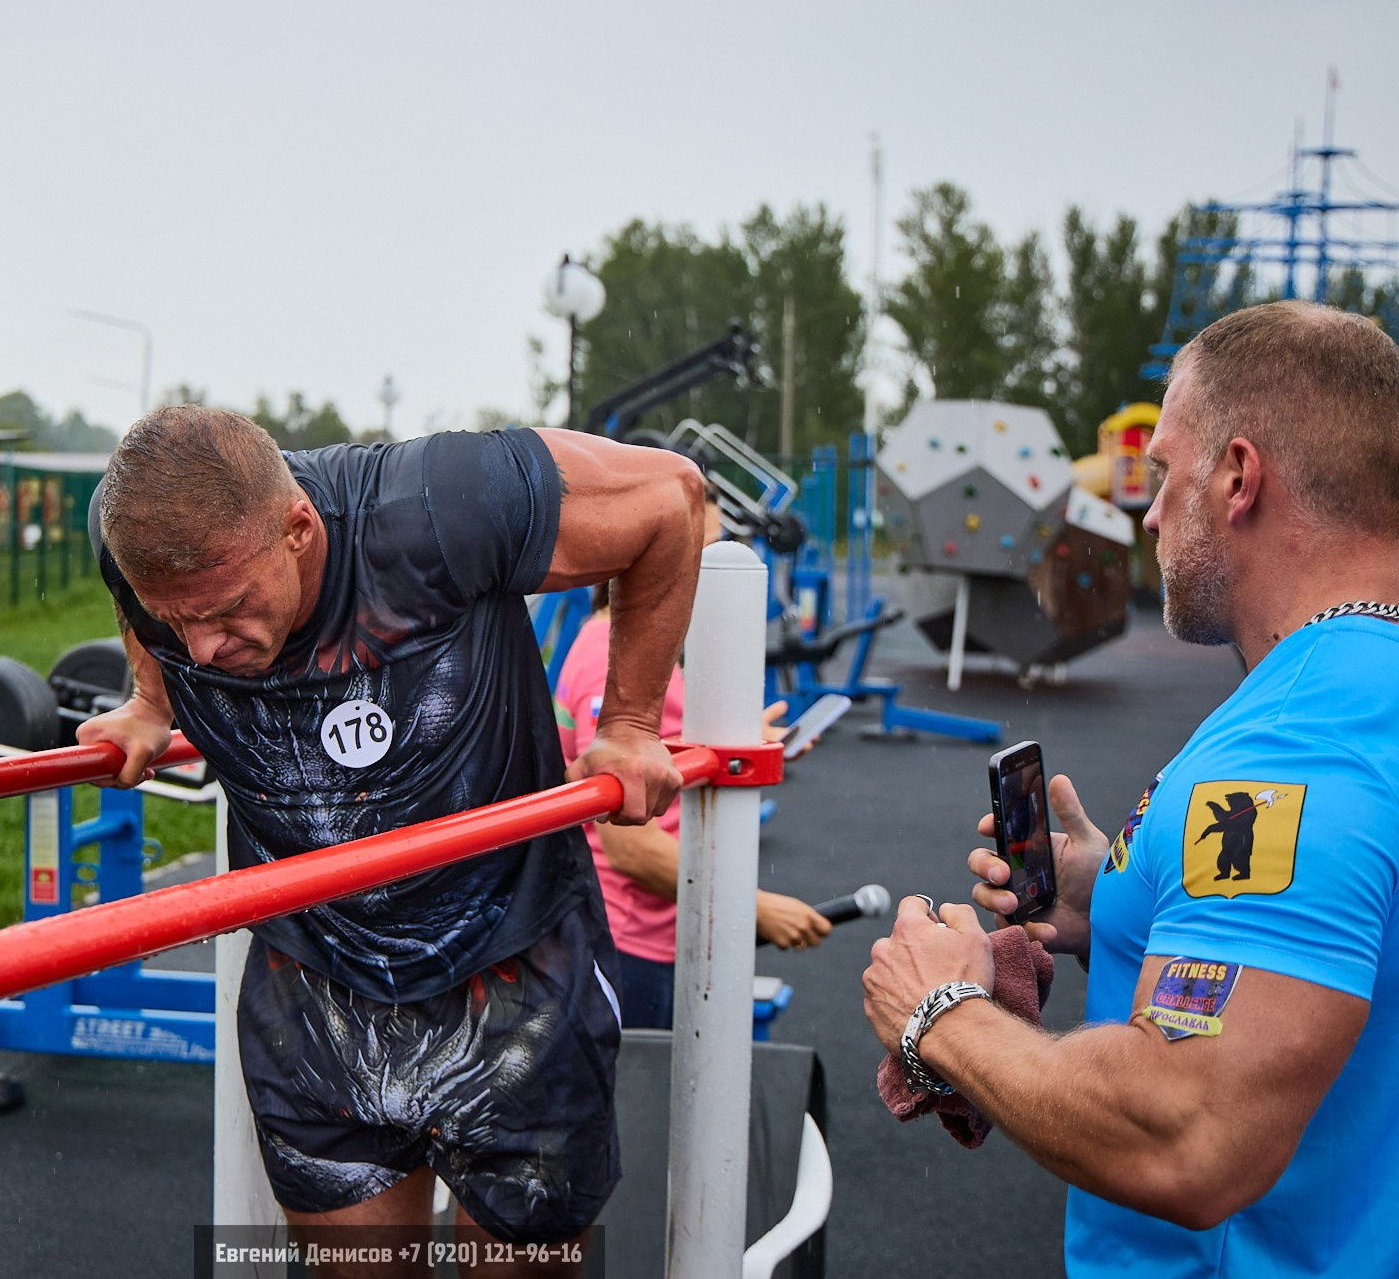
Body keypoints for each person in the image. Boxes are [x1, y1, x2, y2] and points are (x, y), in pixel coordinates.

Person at [78, 406, 707, 1275]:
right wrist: (152, 699)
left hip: (511, 972)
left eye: (227, 610)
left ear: (298, 528)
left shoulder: (438, 504)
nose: (205, 648)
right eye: (174, 622)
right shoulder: (129, 541)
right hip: (315, 986)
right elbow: (155, 614)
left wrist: (632, 720)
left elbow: (671, 497)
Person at [860, 301, 1399, 1276]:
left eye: (1161, 475)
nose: (1145, 513)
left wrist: (937, 1011)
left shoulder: (1289, 745)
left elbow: (1190, 1132)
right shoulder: (1355, 699)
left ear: (1236, 477)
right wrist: (1112, 895)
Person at [553, 583, 831, 1029]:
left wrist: (736, 742)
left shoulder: (621, 645)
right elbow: (630, 848)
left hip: (652, 929)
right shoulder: (613, 662)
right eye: (697, 550)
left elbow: (653, 755)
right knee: (647, 1092)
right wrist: (753, 908)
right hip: (632, 939)